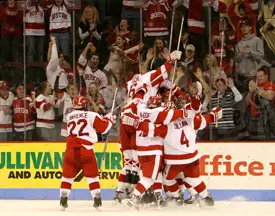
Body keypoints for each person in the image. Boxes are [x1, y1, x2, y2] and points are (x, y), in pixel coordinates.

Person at [60, 95, 116, 210]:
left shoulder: (69, 116)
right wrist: (110, 119)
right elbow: (103, 128)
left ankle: (63, 197)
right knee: (92, 177)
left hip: (70, 150)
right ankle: (96, 198)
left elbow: (67, 131)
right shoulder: (92, 115)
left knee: (67, 177)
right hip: (86, 149)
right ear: (85, 105)